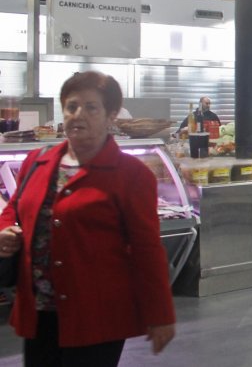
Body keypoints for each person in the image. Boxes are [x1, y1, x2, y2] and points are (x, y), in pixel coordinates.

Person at [0, 71, 175, 365]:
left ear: (111, 115)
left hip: (97, 314)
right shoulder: (38, 161)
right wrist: (5, 231)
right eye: (71, 106)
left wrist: (160, 315)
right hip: (38, 310)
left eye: (91, 107)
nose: (78, 115)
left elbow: (147, 250)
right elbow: (13, 209)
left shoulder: (131, 175)